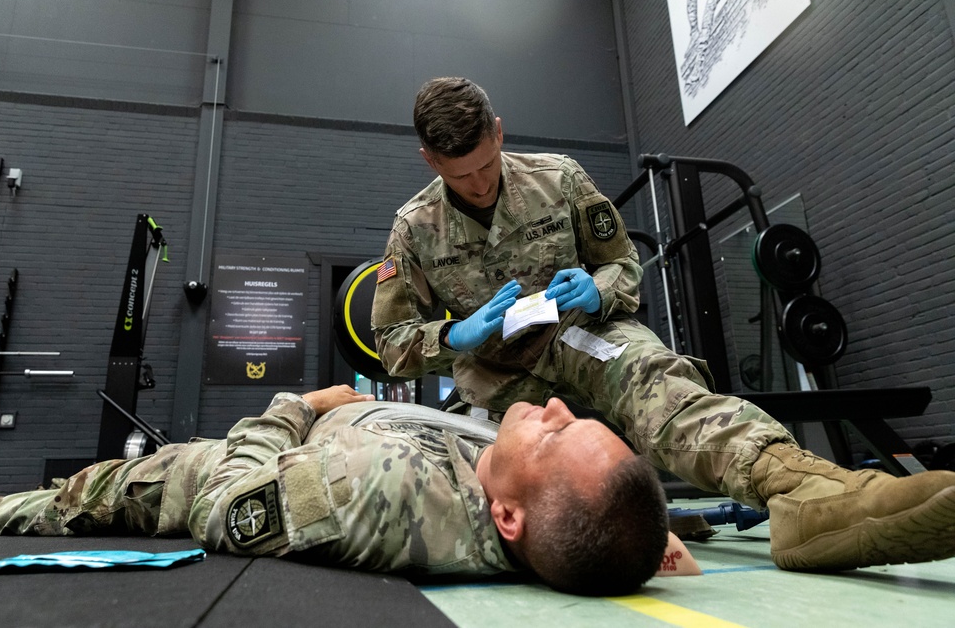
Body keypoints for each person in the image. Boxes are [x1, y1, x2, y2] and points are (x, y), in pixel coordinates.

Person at [370, 76, 955, 572]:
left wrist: (598, 289)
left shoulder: (559, 178)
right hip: (493, 372)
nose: (480, 183)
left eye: (487, 163)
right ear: (430, 161)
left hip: (577, 332)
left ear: (498, 132)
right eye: (460, 175)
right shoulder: (413, 229)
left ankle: (805, 493)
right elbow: (392, 344)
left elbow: (623, 263)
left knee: (657, 381)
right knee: (465, 471)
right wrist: (457, 334)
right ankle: (628, 527)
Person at [0, 386, 670, 596]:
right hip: (355, 424)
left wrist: (292, 404)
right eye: (572, 417)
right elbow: (605, 521)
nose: (551, 406)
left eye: (553, 434)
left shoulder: (375, 492)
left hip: (226, 461)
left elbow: (224, 503)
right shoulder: (550, 503)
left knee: (101, 489)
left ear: (507, 518)